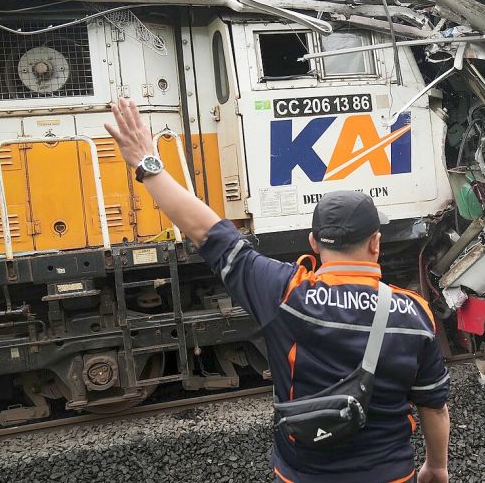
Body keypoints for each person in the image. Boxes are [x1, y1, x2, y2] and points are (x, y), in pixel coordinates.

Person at [105, 98, 450, 483]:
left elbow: (208, 232)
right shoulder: (413, 314)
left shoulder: (284, 292)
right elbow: (433, 406)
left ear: (314, 244)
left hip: (301, 475)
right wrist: (435, 467)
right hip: (389, 474)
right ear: (376, 243)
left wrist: (148, 165)